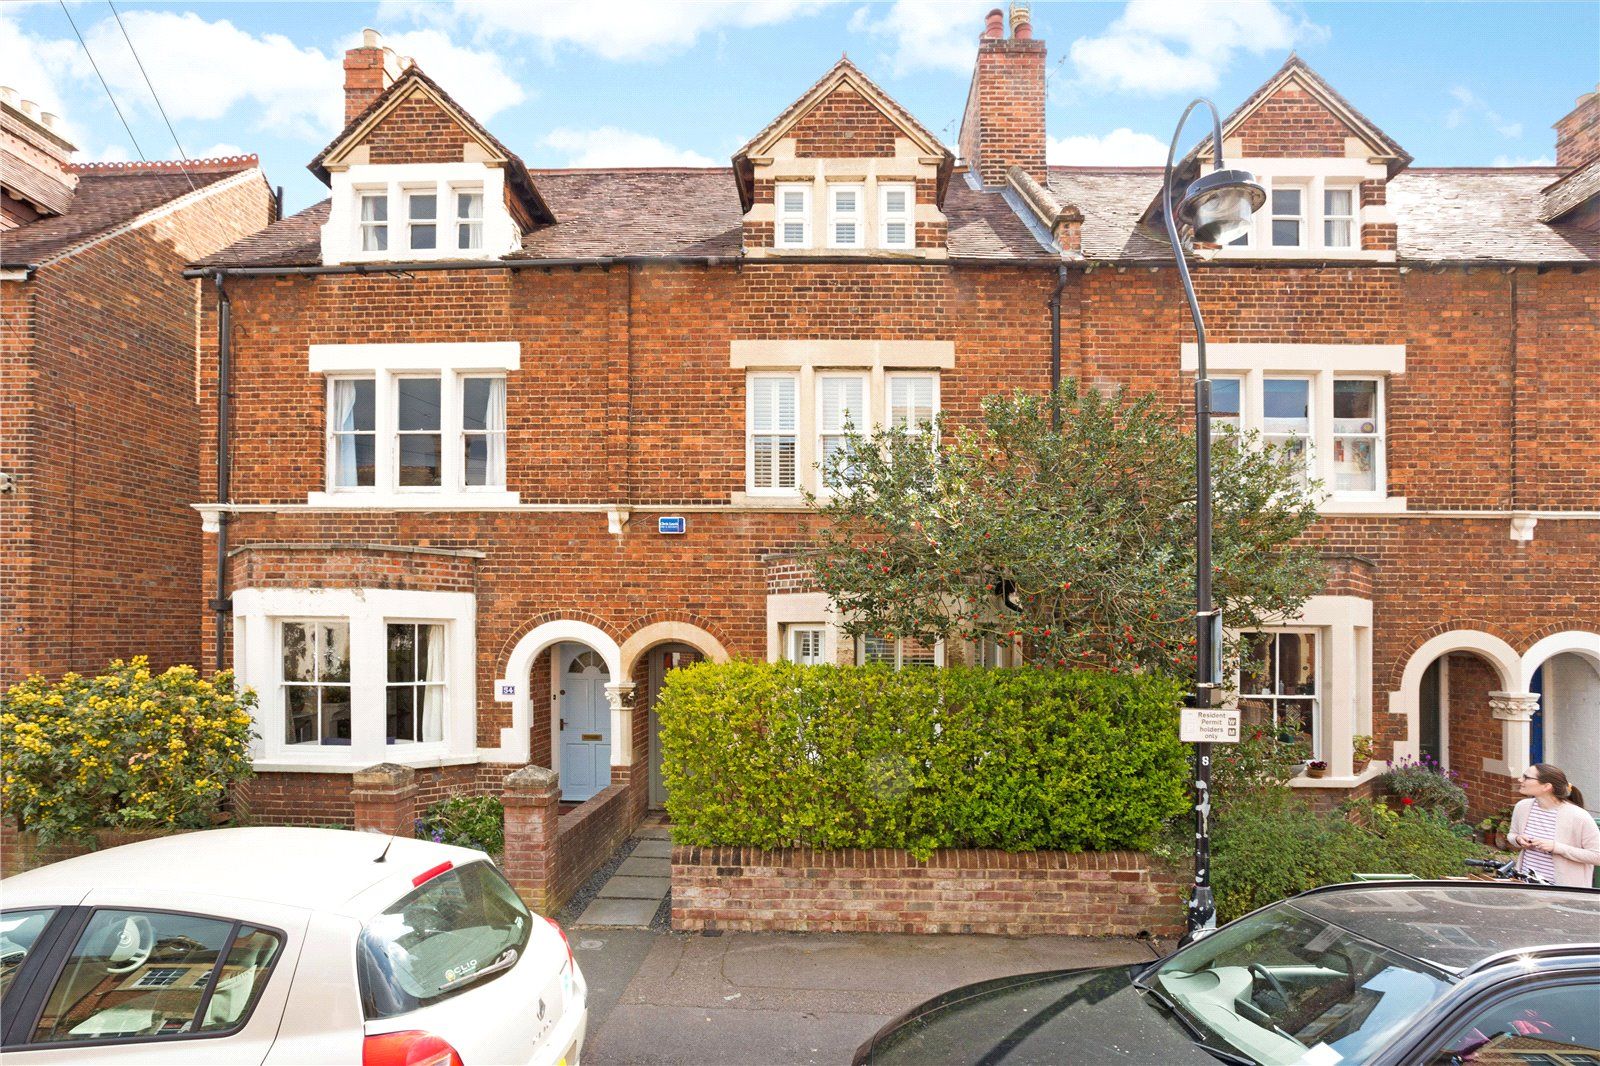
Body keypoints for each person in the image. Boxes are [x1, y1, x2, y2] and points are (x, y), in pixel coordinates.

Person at [1507, 763, 1600, 888]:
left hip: (1563, 892)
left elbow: (1597, 856)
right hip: (1526, 885)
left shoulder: (1579, 816)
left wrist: (1557, 847)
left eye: (1526, 777)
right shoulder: (1522, 807)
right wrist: (1518, 839)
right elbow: (1512, 835)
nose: (1520, 780)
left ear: (1546, 786)